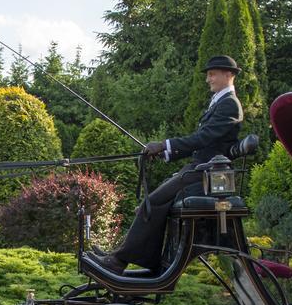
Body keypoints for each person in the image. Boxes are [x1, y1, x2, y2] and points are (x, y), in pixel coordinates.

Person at [93, 55, 243, 274]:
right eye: (208, 74)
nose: (208, 79)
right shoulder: (220, 102)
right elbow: (201, 141)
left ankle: (119, 260)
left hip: (207, 175)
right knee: (154, 203)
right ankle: (129, 258)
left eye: (212, 74)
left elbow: (203, 138)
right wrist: (165, 150)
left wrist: (165, 145)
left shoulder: (229, 104)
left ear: (228, 74)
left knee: (152, 202)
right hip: (200, 170)